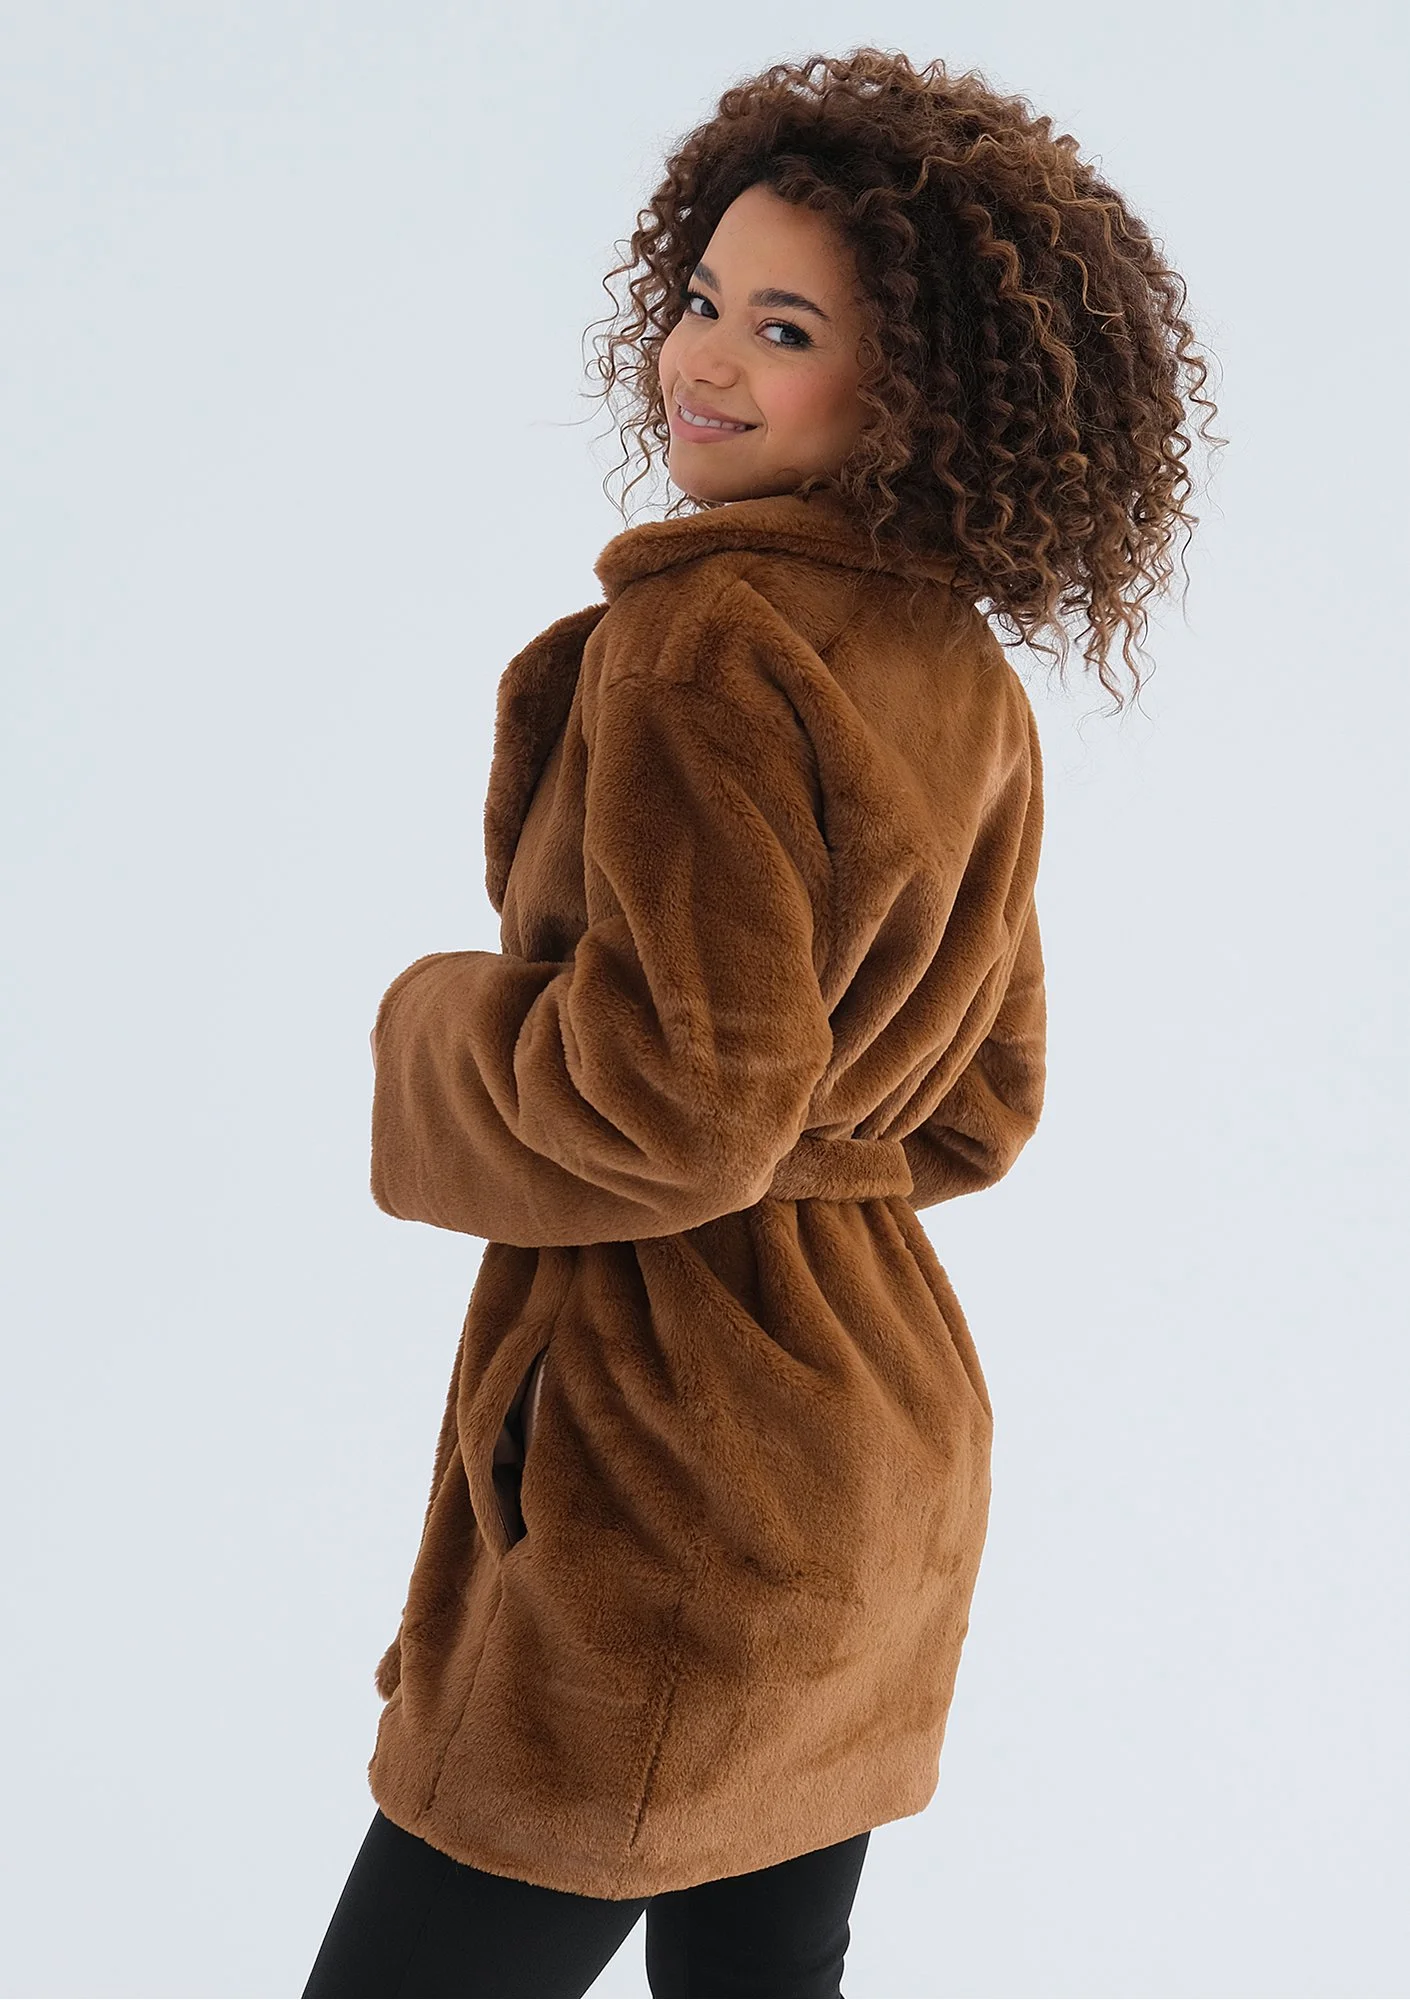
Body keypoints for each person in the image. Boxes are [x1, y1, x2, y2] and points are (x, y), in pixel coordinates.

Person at [303, 46, 1220, 2000]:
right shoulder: (957, 667)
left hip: (667, 1479)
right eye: (705, 298)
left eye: (785, 329)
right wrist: (816, 1146)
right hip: (873, 1460)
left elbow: (678, 1104)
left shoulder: (706, 640)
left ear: (912, 390)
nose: (704, 359)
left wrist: (436, 1030)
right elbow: (980, 1105)